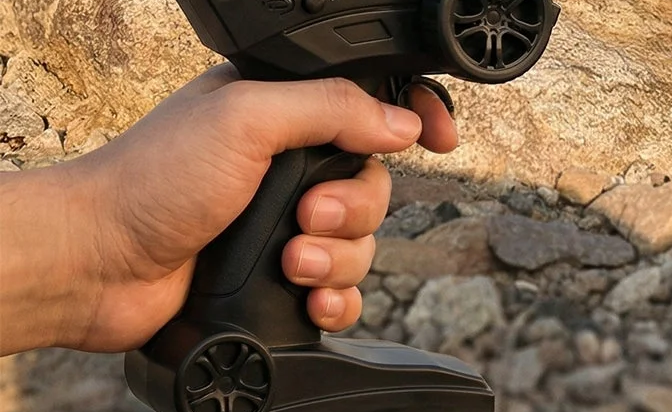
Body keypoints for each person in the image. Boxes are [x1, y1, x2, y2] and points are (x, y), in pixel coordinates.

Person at [0, 68, 455, 357]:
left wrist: (95, 243)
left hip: (206, 340)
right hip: (231, 350)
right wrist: (101, 243)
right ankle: (255, 340)